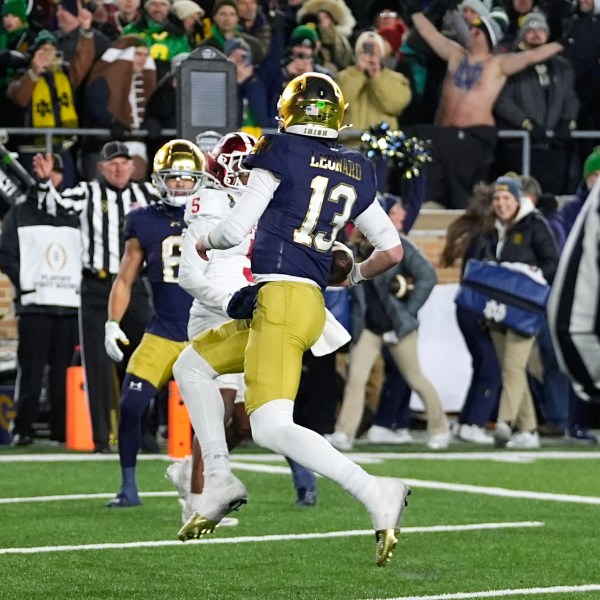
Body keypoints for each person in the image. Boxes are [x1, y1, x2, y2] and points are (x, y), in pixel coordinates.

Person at [172, 72, 410, 568]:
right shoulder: (355, 166)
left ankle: (374, 490)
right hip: (302, 303)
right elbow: (391, 251)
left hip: (280, 298)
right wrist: (354, 277)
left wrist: (203, 241)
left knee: (271, 425)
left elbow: (235, 229)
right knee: (191, 366)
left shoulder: (279, 150)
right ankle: (218, 478)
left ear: (289, 109)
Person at [33, 141, 160, 454]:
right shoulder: (87, 192)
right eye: (112, 163)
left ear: (133, 166)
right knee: (97, 364)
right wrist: (46, 181)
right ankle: (103, 439)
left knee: (145, 360)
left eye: (124, 163)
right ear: (101, 167)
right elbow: (54, 206)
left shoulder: (146, 195)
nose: (118, 168)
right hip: (97, 287)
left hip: (134, 286)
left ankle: (144, 433)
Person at [104, 139, 203, 507]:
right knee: (131, 406)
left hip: (205, 334)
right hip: (163, 331)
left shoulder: (215, 215)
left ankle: (302, 475)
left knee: (239, 412)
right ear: (161, 180)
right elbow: (125, 278)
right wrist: (112, 322)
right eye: (173, 178)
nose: (180, 184)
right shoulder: (143, 220)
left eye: (187, 178)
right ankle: (128, 487)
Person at [165, 131, 256, 523]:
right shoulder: (210, 202)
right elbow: (189, 275)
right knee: (215, 411)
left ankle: (190, 470)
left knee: (245, 422)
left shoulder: (252, 203)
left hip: (247, 315)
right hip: (215, 312)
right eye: (247, 165)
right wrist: (227, 301)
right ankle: (199, 501)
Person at [408, 6, 563, 208]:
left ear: (488, 38)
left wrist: (563, 42)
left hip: (473, 138)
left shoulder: (497, 64)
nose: (471, 31)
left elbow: (533, 56)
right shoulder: (456, 54)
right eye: (472, 28)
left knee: (462, 195)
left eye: (477, 30)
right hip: (443, 134)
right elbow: (429, 34)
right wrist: (412, 10)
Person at [326, 199, 450, 451]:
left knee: (415, 377)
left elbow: (428, 275)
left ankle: (440, 428)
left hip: (397, 325)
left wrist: (408, 310)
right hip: (369, 326)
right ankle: (344, 433)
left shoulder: (398, 245)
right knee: (355, 379)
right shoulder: (353, 249)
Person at [0, 154, 80, 446]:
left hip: (69, 307)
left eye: (58, 172)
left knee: (62, 374)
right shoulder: (20, 212)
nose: (53, 178)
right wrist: (27, 283)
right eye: (49, 173)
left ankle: (63, 429)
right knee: (31, 371)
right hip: (35, 305)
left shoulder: (74, 210)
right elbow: (6, 253)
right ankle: (23, 428)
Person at [475, 176, 559, 449]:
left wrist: (532, 274)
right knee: (511, 370)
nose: (501, 204)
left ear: (517, 199)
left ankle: (505, 422)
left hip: (524, 308)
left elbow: (553, 264)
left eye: (506, 198)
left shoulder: (535, 224)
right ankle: (529, 430)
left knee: (513, 366)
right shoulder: (491, 228)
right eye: (497, 199)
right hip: (498, 308)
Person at [439, 182, 500, 444]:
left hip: (466, 306)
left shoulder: (478, 234)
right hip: (476, 307)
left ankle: (466, 422)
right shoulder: (486, 237)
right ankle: (474, 422)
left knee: (482, 366)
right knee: (491, 368)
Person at [492, 13, 579, 195]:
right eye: (530, 30)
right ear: (522, 34)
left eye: (540, 30)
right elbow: (502, 100)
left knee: (551, 198)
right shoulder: (511, 63)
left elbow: (570, 98)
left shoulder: (562, 66)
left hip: (553, 146)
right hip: (519, 145)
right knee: (520, 196)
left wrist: (568, 121)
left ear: (547, 34)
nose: (536, 34)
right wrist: (525, 122)